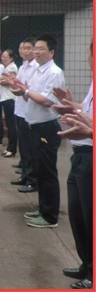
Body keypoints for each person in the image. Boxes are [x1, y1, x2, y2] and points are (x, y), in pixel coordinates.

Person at [9, 34, 65, 228]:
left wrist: (25, 92)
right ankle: (43, 208)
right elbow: (30, 97)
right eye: (36, 48)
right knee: (40, 170)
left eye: (41, 49)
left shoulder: (54, 72)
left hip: (46, 127)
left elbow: (48, 101)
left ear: (52, 52)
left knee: (48, 172)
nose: (37, 52)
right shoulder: (37, 71)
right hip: (34, 126)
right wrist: (22, 91)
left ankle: (50, 216)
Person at [53, 42, 93, 289]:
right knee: (79, 216)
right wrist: (74, 106)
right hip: (80, 156)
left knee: (91, 219)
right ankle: (86, 265)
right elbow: (88, 113)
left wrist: (89, 130)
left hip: (91, 155)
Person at [2, 38, 38, 191]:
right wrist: (13, 82)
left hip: (28, 112)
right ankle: (25, 174)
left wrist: (17, 86)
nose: (24, 51)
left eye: (28, 48)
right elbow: (20, 86)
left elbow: (29, 90)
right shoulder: (23, 67)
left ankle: (31, 180)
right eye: (22, 48)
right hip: (20, 109)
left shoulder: (35, 67)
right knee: (23, 146)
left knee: (29, 148)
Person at [0, 49, 18, 157]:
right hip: (6, 98)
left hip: (10, 98)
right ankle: (9, 148)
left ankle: (12, 148)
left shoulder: (12, 67)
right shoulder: (7, 67)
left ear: (11, 58)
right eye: (2, 56)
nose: (3, 58)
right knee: (9, 124)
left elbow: (9, 82)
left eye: (5, 57)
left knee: (11, 125)